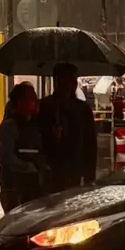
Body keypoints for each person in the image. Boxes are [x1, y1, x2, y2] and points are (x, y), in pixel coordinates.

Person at [38, 63, 97, 195]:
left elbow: (90, 143)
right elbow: (37, 137)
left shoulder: (82, 109)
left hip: (74, 169)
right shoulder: (44, 106)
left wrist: (89, 176)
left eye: (73, 80)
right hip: (50, 169)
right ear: (56, 81)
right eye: (66, 80)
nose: (71, 84)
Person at [0, 82, 45, 213]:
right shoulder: (10, 126)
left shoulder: (34, 123)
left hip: (32, 185)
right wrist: (28, 167)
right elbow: (5, 156)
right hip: (14, 186)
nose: (35, 102)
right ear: (20, 102)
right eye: (31, 99)